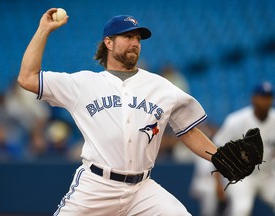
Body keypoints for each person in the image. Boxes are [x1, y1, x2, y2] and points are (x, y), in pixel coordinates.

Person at [17, 8, 218, 216]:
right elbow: (27, 78)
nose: (135, 43)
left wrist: (217, 156)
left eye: (138, 39)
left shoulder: (161, 86)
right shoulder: (83, 84)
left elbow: (188, 131)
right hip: (96, 187)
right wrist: (43, 29)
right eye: (128, 36)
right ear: (109, 42)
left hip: (142, 190)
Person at [212, 81, 275, 216]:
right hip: (243, 176)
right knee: (241, 209)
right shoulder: (236, 120)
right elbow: (217, 150)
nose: (266, 101)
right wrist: (218, 184)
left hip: (268, 176)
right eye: (263, 97)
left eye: (269, 97)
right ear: (254, 98)